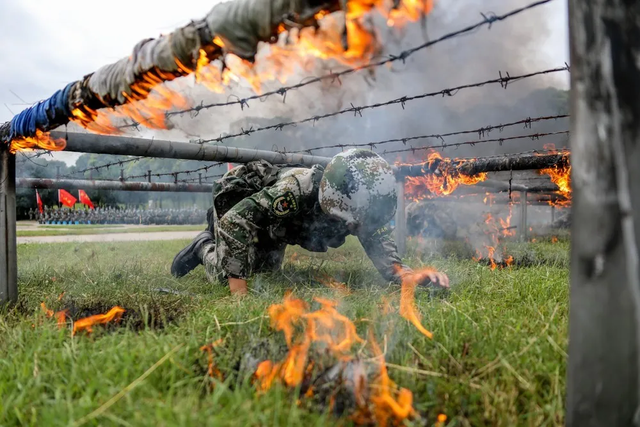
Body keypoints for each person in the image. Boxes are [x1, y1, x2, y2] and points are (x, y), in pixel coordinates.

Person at [171, 149, 449, 295]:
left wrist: (408, 275)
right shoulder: (296, 190)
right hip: (239, 201)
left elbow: (378, 243)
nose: (356, 230)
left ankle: (226, 249)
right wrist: (239, 295)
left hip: (276, 223)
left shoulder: (354, 205)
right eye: (353, 223)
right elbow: (238, 219)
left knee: (266, 272)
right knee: (227, 274)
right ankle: (203, 245)